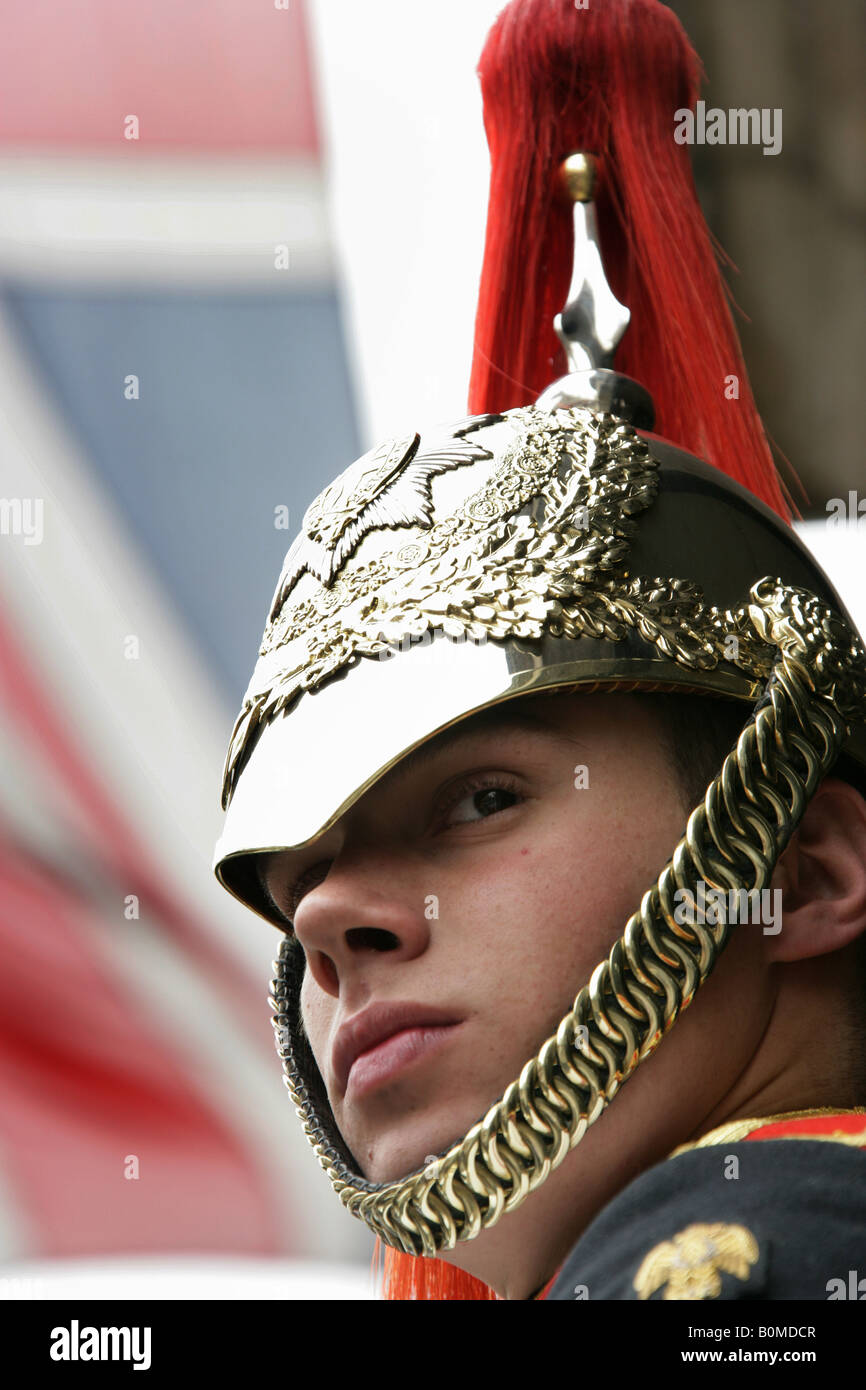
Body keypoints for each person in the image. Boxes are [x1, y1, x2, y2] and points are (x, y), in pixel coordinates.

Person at [212, 0, 866, 1300]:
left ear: (794, 871)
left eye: (481, 797)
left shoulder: (744, 1268)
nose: (328, 920)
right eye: (300, 886)